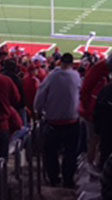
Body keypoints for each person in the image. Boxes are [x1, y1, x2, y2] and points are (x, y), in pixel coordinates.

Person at [34, 52, 82, 187]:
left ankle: (54, 178)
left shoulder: (52, 77)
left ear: (60, 62)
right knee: (70, 153)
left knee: (51, 153)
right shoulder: (76, 76)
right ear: (72, 64)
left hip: (53, 122)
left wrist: (38, 110)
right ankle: (68, 180)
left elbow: (40, 96)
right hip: (72, 121)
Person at [80, 47, 112, 162]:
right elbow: (86, 89)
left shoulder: (108, 70)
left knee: (102, 141)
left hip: (106, 111)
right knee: (93, 140)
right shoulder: (98, 69)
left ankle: (98, 163)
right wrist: (88, 110)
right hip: (94, 112)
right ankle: (90, 165)